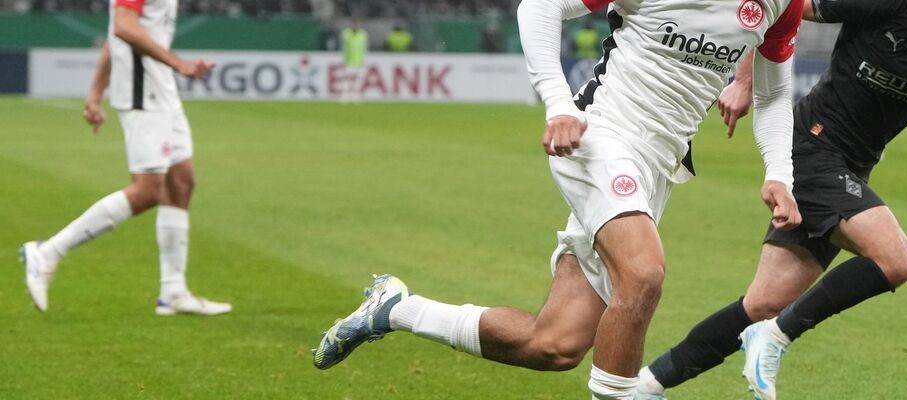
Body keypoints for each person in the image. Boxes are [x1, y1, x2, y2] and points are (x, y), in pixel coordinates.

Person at [310, 0, 805, 398]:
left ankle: (397, 309)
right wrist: (558, 103)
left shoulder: (784, 3)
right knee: (644, 272)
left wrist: (779, 173)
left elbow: (773, 93)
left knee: (555, 344)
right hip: (601, 136)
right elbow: (539, 7)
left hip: (658, 164)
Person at [635, 0, 907, 398]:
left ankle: (646, 385)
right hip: (811, 145)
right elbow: (781, 9)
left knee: (761, 305)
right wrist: (744, 80)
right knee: (897, 259)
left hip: (851, 168)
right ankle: (773, 339)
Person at [19, 0, 231, 316]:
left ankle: (173, 292)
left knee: (181, 182)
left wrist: (94, 94)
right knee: (147, 191)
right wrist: (179, 64)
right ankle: (48, 252)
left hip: (161, 90)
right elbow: (123, 26)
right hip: (142, 92)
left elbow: (115, 36)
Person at [340, 19, 367, 103]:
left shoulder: (363, 34)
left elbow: (365, 48)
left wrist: (364, 59)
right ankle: (345, 96)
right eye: (353, 25)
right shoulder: (346, 34)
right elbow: (343, 47)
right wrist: (343, 59)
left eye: (356, 25)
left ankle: (356, 96)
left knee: (357, 79)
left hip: (359, 61)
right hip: (349, 60)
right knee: (347, 79)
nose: (355, 26)